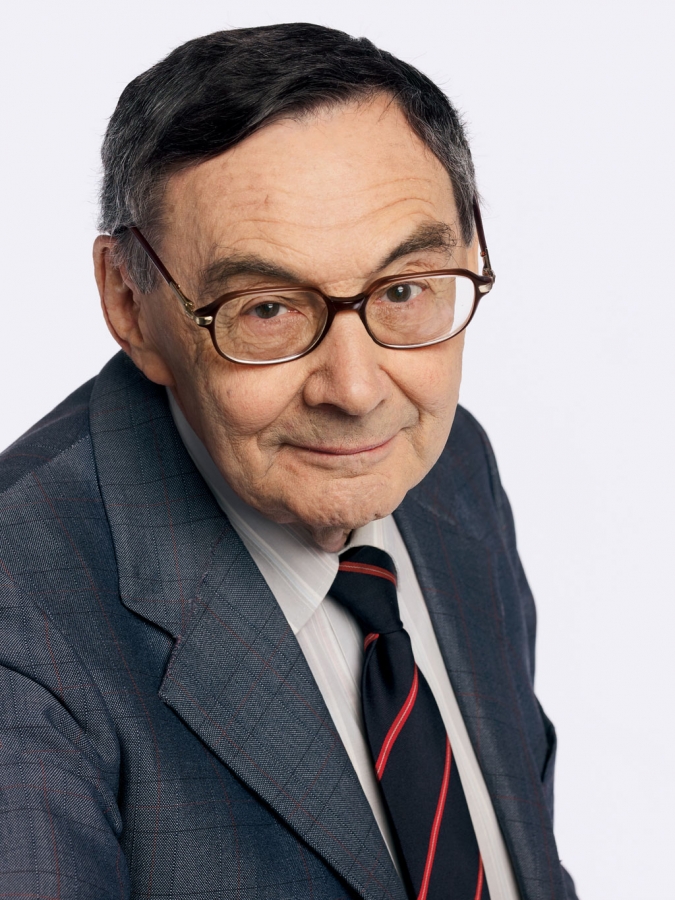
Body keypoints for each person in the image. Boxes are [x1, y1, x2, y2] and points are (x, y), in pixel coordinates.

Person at [0, 23, 577, 900]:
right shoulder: (21, 612)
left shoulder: (451, 469)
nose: (356, 391)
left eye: (402, 290)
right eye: (266, 308)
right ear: (129, 301)